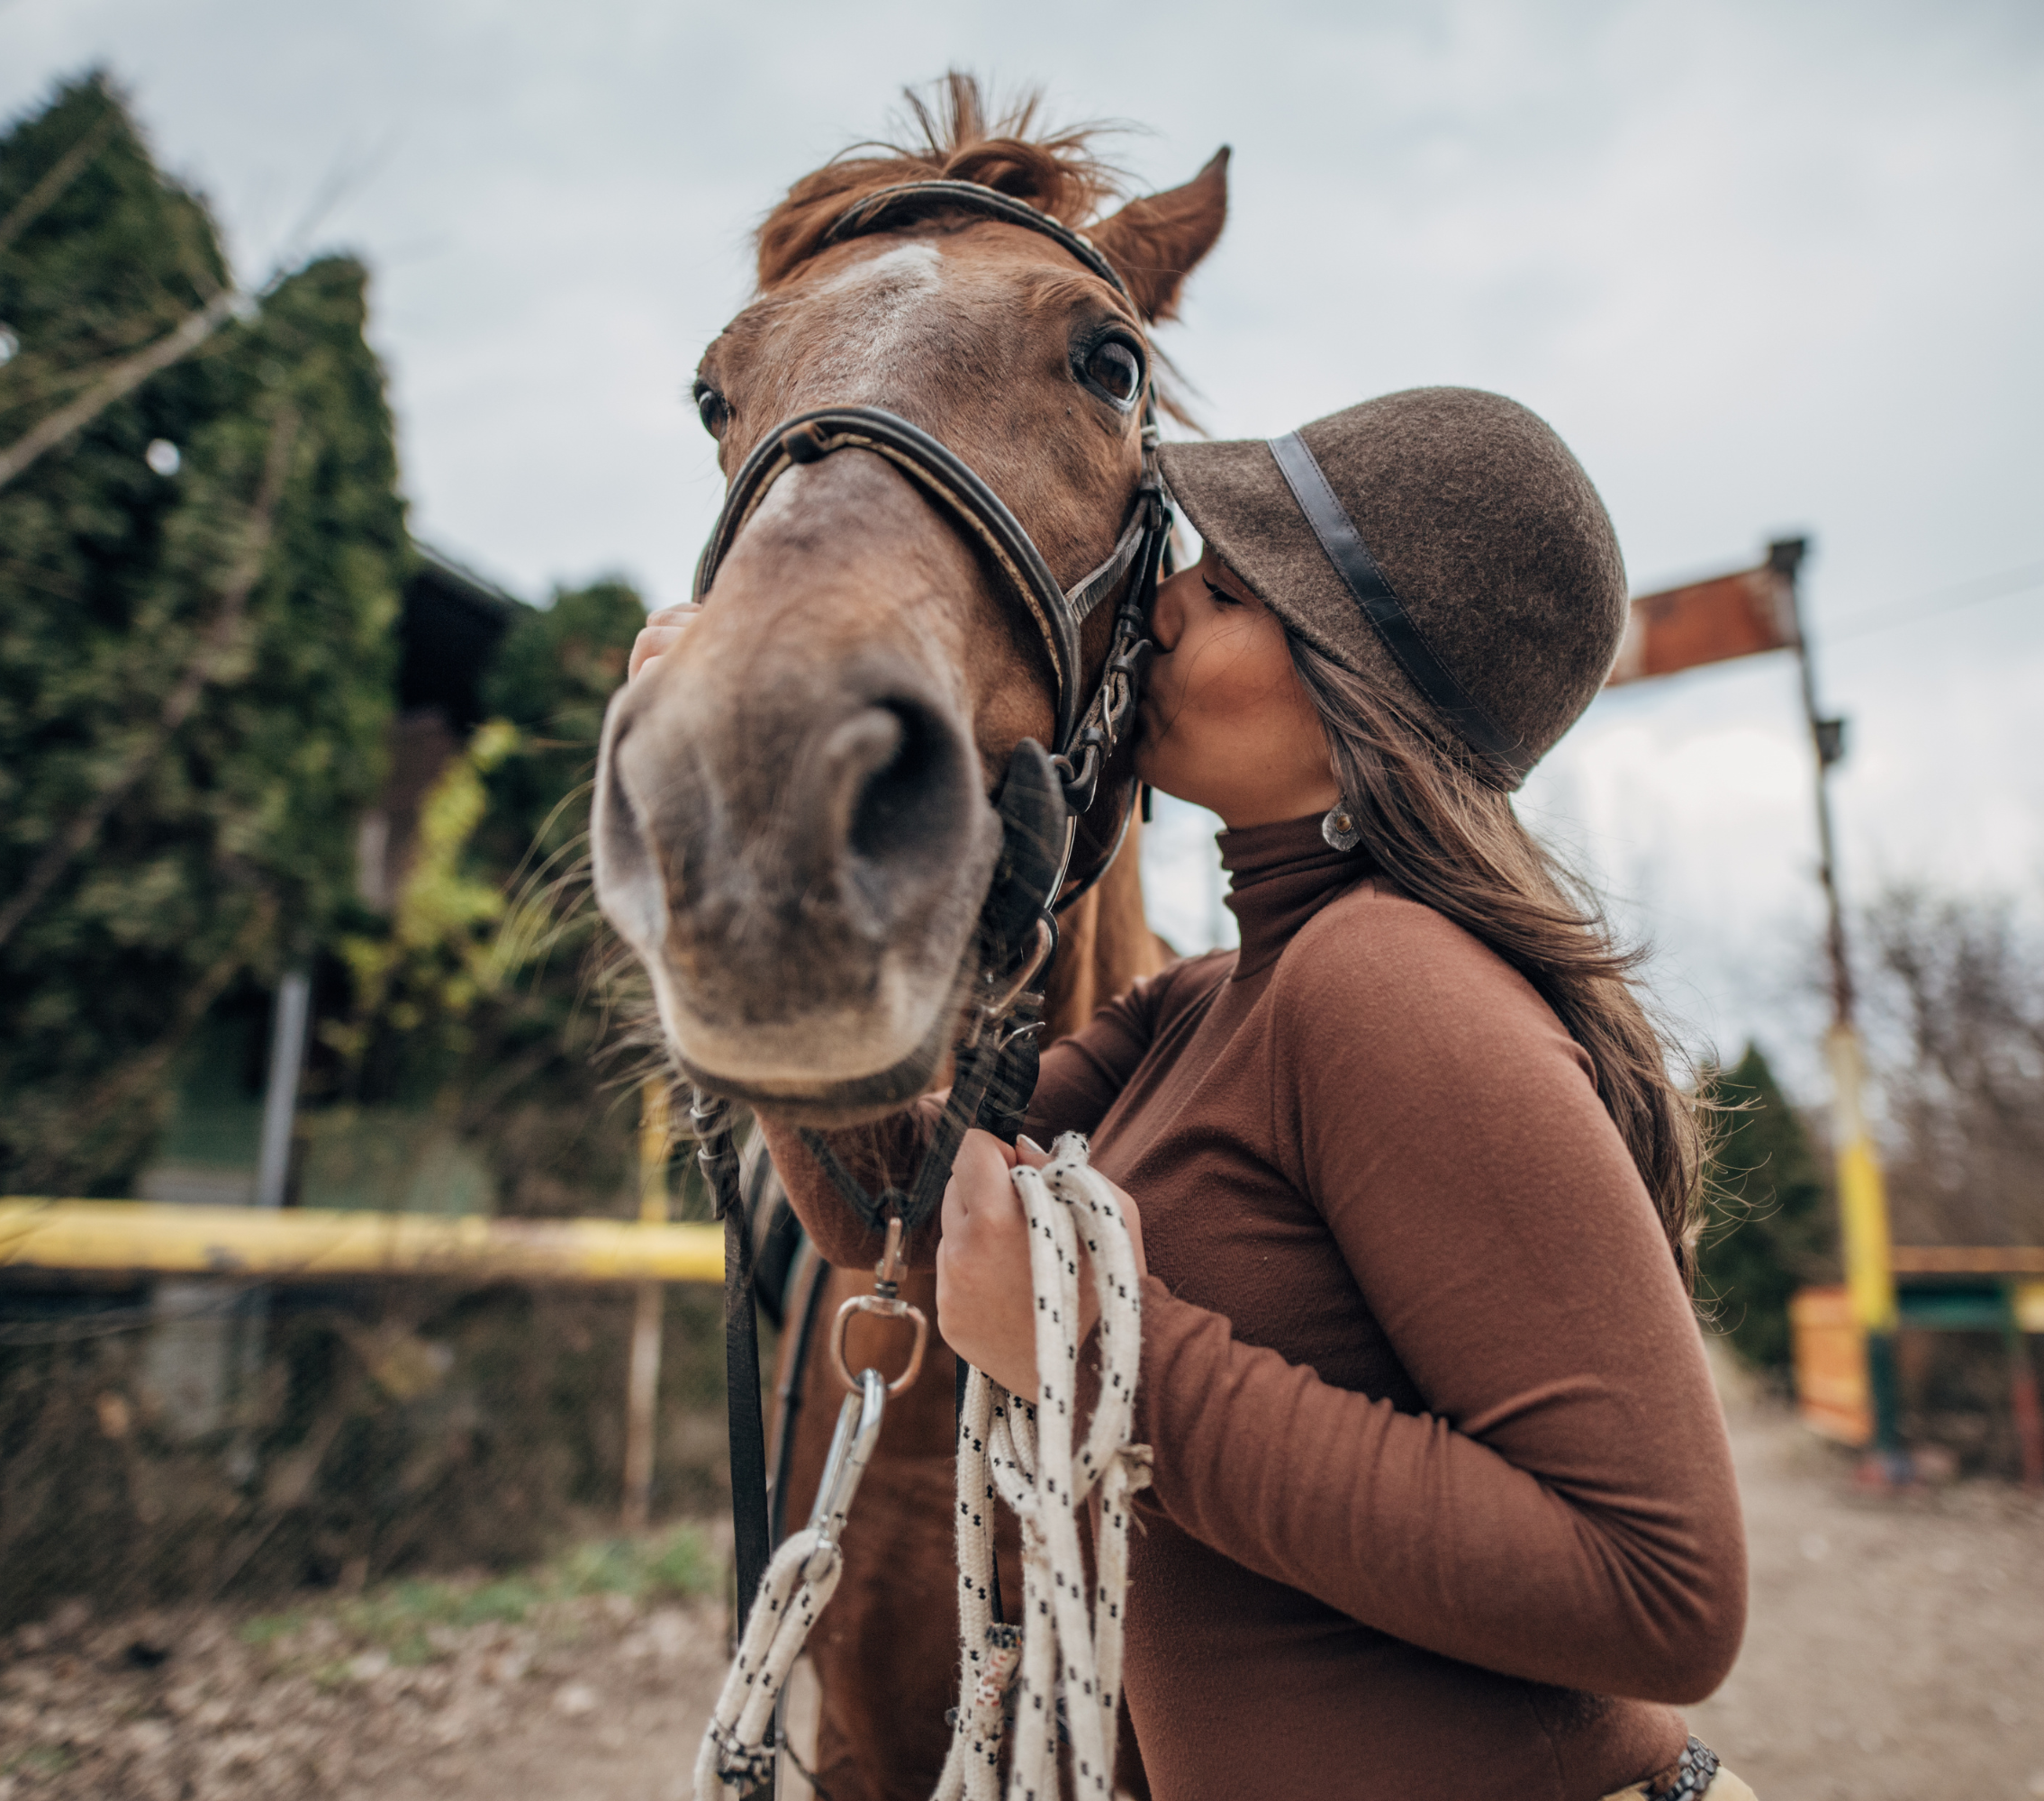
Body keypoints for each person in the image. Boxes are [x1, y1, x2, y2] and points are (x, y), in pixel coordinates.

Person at [634, 388, 1751, 1801]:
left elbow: (1664, 1591)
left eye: (1224, 588)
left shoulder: (1386, 982)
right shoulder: (1209, 1002)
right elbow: (893, 1214)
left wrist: (1106, 1361)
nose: (1160, 607)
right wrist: (745, 833)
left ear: (1357, 690)